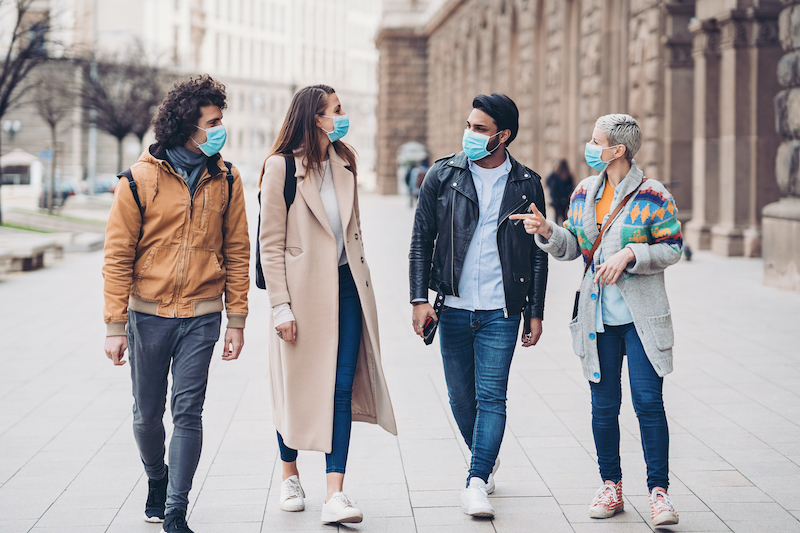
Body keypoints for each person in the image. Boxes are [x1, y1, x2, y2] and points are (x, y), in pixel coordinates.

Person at [511, 114, 682, 527]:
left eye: (596, 140)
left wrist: (631, 255)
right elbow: (574, 247)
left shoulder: (653, 194)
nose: (590, 147)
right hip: (597, 318)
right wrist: (547, 229)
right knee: (604, 407)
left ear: (617, 150)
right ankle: (611, 486)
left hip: (641, 320)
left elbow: (673, 246)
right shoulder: (584, 191)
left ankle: (659, 494)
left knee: (648, 402)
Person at [102, 75, 250, 533]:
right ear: (188, 124)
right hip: (147, 316)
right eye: (213, 121)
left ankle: (176, 510)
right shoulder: (137, 180)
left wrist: (237, 318)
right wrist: (114, 324)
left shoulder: (226, 178)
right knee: (147, 414)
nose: (220, 128)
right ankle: (156, 478)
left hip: (202, 316)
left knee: (188, 411)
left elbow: (239, 250)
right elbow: (118, 254)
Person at [259, 84, 397, 525]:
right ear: (315, 117)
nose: (342, 116)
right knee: (297, 385)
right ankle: (289, 473)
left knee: (339, 385)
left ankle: (335, 492)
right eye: (336, 110)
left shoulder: (345, 161)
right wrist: (281, 306)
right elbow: (270, 243)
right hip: (300, 295)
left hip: (347, 287)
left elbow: (351, 233)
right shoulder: (279, 167)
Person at [409, 93, 548, 518]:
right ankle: (483, 458)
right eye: (469, 126)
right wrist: (419, 298)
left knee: (492, 397)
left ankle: (475, 479)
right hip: (452, 305)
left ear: (502, 136)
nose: (469, 134)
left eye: (480, 128)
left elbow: (538, 250)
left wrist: (535, 311)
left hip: (501, 310)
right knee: (460, 398)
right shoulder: (443, 174)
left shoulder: (526, 183)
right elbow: (421, 239)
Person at [545, 159, 574, 225]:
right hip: (564, 199)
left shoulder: (556, 174)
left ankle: (556, 229)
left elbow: (548, 181)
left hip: (556, 198)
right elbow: (572, 187)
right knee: (564, 216)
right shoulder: (567, 175)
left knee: (557, 216)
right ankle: (565, 229)